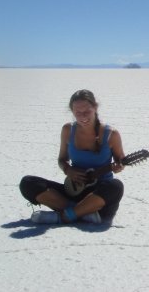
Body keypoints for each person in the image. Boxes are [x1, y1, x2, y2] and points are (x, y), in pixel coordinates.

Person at [20, 89, 125, 224]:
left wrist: (119, 166)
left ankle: (63, 215)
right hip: (74, 191)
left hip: (98, 196)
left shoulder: (111, 134)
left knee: (116, 186)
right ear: (72, 111)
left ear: (95, 107)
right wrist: (68, 170)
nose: (82, 116)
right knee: (28, 183)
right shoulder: (68, 130)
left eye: (87, 111)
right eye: (78, 113)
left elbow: (120, 160)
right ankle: (80, 213)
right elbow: (62, 159)